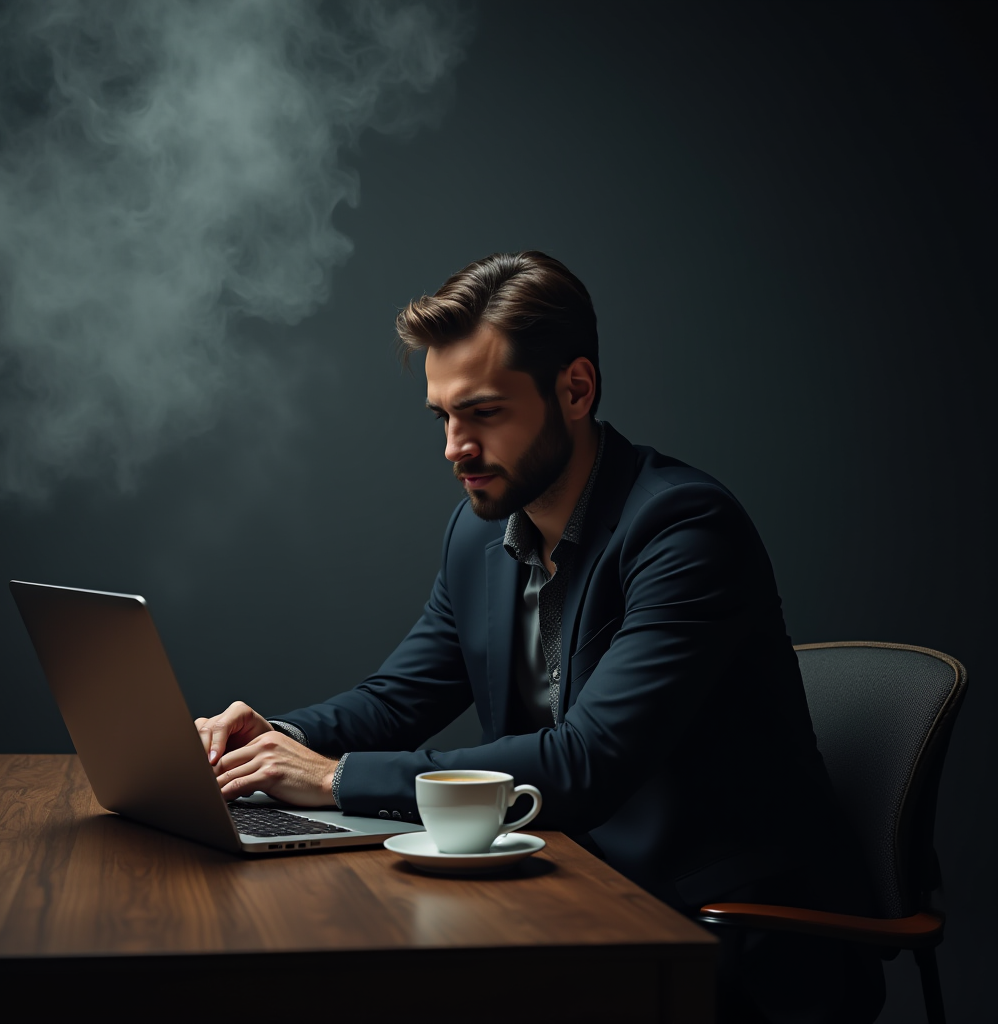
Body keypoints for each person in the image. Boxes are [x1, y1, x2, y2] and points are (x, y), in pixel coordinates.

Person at [196, 251, 884, 1023]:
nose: (454, 447)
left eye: (484, 413)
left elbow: (587, 762)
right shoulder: (478, 530)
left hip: (724, 936)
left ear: (576, 389)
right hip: (566, 892)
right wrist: (269, 740)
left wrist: (332, 781)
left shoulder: (685, 530)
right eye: (443, 416)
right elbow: (399, 698)